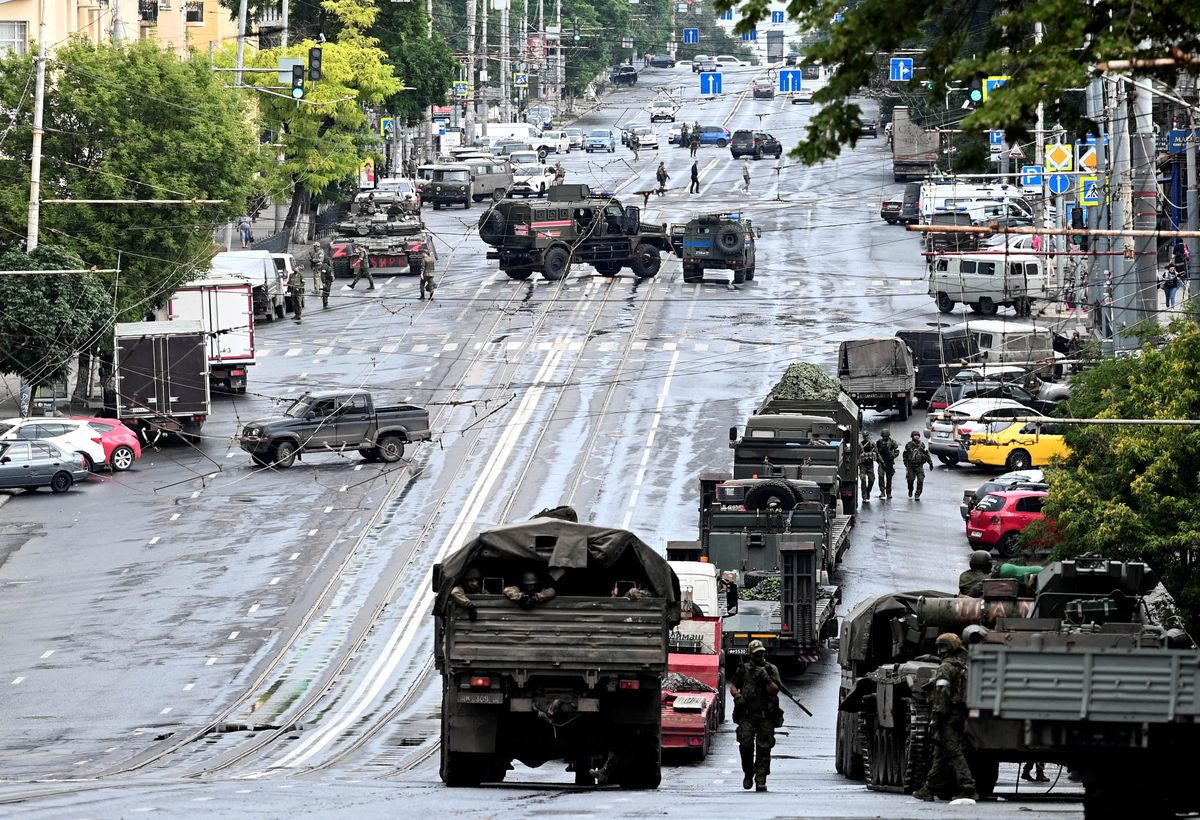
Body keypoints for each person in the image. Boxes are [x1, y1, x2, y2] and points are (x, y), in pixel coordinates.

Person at [913, 633, 978, 802]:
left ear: (944, 648)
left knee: (953, 751)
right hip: (960, 714)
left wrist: (936, 717)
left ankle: (968, 786)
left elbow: (942, 694)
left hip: (947, 715)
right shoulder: (962, 666)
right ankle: (928, 788)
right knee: (941, 753)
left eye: (940, 647)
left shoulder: (945, 668)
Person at [729, 639, 783, 792]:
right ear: (750, 655)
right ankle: (748, 772)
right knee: (745, 743)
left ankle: (761, 779)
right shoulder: (744, 669)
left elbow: (775, 690)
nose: (760, 656)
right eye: (756, 654)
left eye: (761, 653)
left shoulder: (771, 669)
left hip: (765, 715)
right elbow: (733, 685)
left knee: (764, 747)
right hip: (747, 714)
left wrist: (765, 678)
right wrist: (737, 695)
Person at [903, 430, 933, 499]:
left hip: (919, 466)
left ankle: (917, 494)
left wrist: (930, 463)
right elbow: (905, 454)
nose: (916, 436)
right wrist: (905, 463)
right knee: (910, 480)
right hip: (911, 466)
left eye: (918, 435)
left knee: (920, 480)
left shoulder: (922, 445)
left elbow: (926, 454)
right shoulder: (908, 445)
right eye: (915, 435)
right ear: (912, 436)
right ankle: (910, 490)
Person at [876, 429, 899, 499]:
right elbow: (876, 452)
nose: (885, 438)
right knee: (881, 476)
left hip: (889, 462)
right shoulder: (879, 442)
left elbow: (897, 451)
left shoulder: (892, 442)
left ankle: (888, 492)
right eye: (883, 436)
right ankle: (882, 491)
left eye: (886, 436)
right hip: (881, 461)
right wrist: (878, 459)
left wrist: (893, 456)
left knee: (889, 478)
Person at [859, 431, 877, 499]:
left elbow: (876, 453)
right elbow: (857, 455)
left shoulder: (872, 444)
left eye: (867, 436)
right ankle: (864, 496)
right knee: (863, 481)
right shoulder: (860, 445)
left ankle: (868, 491)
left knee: (872, 480)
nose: (866, 437)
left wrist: (881, 462)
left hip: (870, 465)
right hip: (863, 465)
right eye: (865, 436)